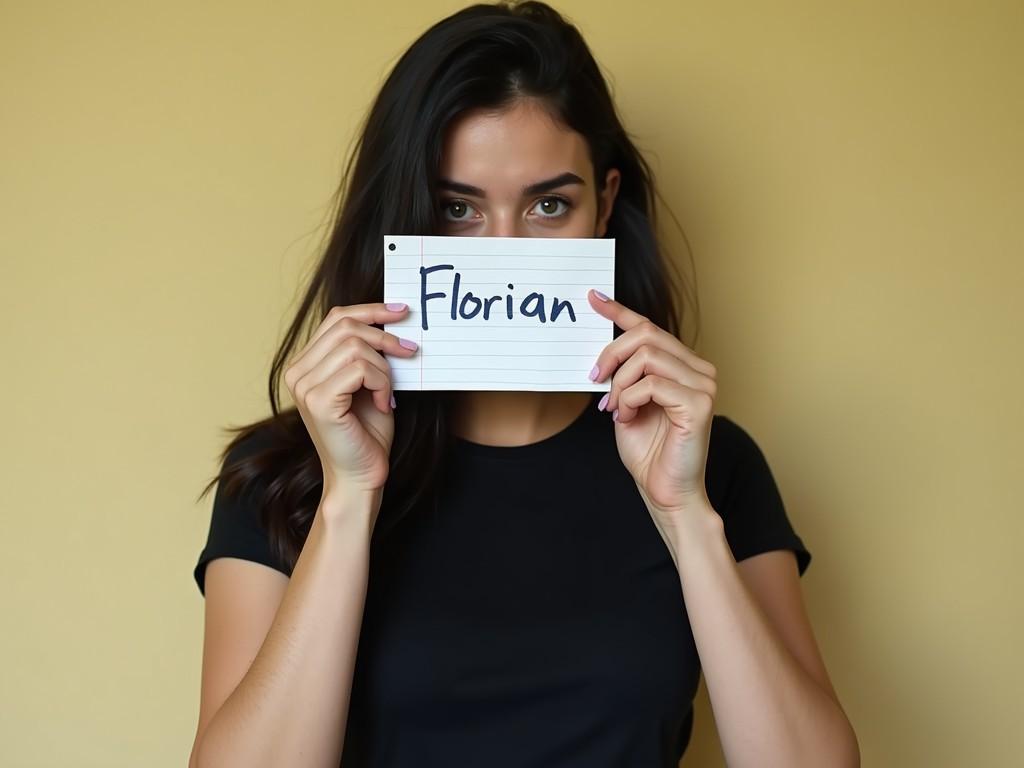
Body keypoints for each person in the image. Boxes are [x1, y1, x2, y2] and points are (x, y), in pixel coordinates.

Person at [188, 2, 859, 766]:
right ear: (402, 215)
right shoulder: (286, 474)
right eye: (456, 209)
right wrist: (347, 501)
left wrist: (685, 517)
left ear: (604, 204)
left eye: (548, 205)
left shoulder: (711, 464)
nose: (503, 253)